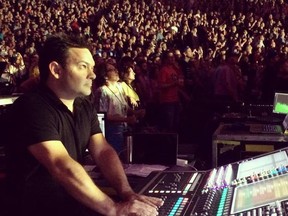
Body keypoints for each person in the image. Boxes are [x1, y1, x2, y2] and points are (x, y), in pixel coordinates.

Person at [3, 33, 163, 216]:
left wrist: (127, 193)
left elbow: (102, 151)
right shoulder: (32, 107)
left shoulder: (84, 105)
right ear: (56, 70)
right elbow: (60, 164)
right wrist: (114, 209)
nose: (93, 74)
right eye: (83, 67)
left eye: (92, 67)